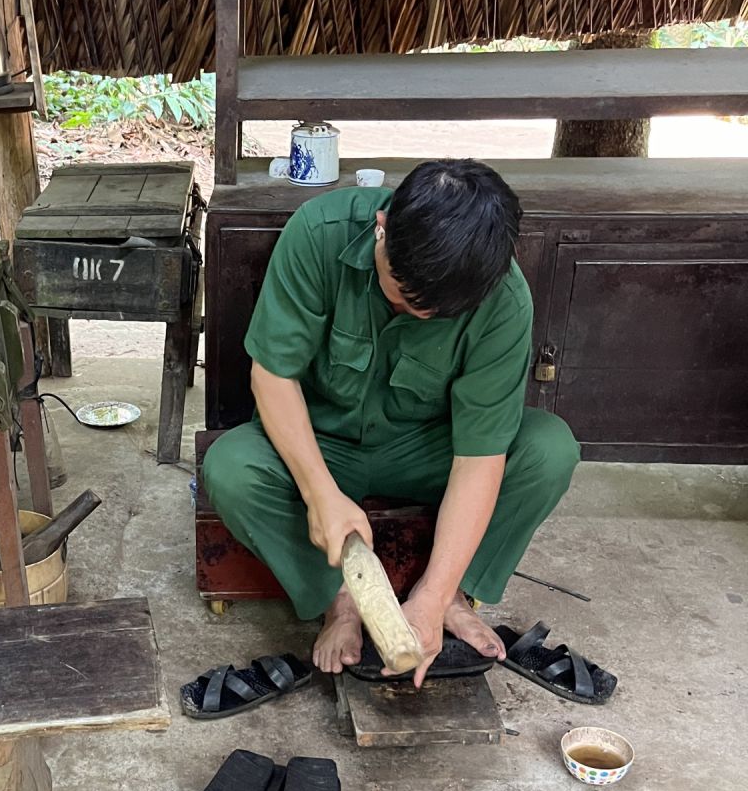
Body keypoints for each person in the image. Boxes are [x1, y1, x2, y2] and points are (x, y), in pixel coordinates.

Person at [201, 159, 580, 687]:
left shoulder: (502, 297)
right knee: (230, 467)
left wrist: (429, 598)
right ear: (382, 226)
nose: (411, 313)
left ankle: (449, 596)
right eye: (399, 293)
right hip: (322, 442)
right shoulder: (318, 233)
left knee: (549, 449)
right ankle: (339, 602)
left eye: (434, 314)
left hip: (429, 451)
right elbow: (273, 377)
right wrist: (319, 494)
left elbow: (479, 457)